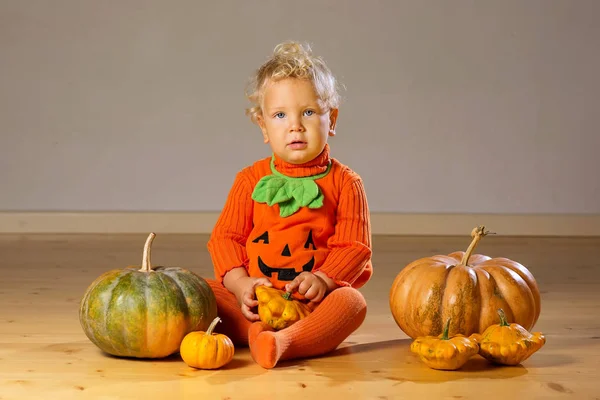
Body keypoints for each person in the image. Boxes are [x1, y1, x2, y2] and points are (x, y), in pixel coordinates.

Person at [206, 40, 372, 369]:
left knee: (352, 302)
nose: (295, 125)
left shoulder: (346, 182)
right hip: (255, 296)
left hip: (314, 300)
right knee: (197, 290)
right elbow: (226, 239)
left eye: (308, 112)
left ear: (332, 119)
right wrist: (241, 286)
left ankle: (286, 341)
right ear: (263, 126)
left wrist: (324, 279)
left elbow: (354, 247)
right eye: (280, 115)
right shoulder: (249, 180)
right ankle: (258, 330)